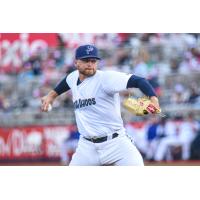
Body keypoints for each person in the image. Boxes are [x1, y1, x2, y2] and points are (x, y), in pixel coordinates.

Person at [41, 44, 161, 166]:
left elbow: (140, 81)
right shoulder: (73, 77)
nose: (90, 64)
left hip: (116, 144)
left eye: (93, 61)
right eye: (86, 60)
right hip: (87, 147)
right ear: (76, 63)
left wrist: (153, 99)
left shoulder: (106, 78)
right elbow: (65, 83)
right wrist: (51, 96)